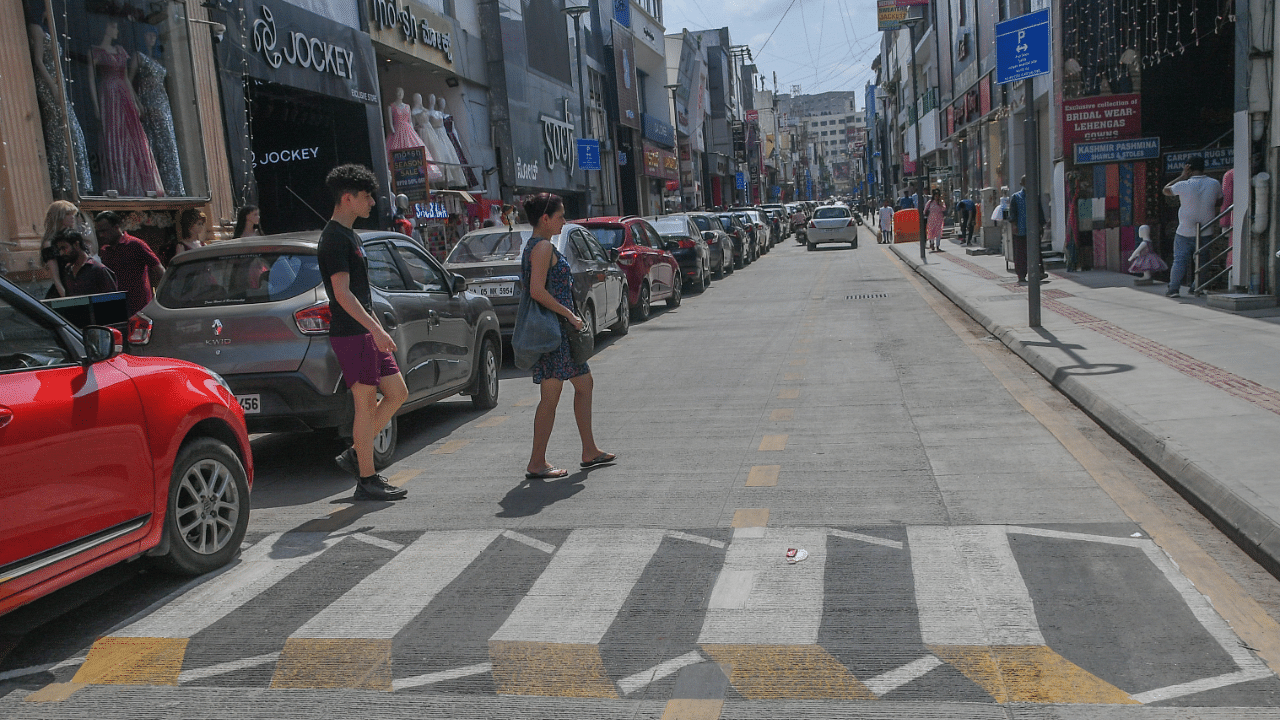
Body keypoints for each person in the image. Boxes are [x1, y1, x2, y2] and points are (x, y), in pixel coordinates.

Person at [319, 165, 409, 501]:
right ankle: (367, 479)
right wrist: (375, 329)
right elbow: (342, 294)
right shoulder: (333, 240)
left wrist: (378, 328)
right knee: (366, 404)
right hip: (351, 334)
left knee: (398, 392)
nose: (372, 201)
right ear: (347, 198)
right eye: (366, 195)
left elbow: (360, 293)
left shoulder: (351, 236)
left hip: (365, 331)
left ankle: (360, 451)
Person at [520, 192, 614, 479]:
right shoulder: (542, 248)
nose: (564, 221)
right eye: (560, 216)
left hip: (561, 333)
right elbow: (537, 291)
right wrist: (569, 314)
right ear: (544, 219)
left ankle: (589, 449)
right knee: (551, 395)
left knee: (583, 385)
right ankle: (537, 462)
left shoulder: (540, 245)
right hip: (555, 332)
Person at [1162, 156, 1223, 298]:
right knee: (1203, 261)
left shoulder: (1183, 184)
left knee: (1179, 261)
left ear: (1188, 167)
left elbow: (1166, 190)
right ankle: (1197, 287)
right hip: (1205, 230)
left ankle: (1173, 289)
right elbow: (1220, 200)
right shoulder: (1214, 184)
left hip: (1184, 230)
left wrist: (1182, 176)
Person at [94, 210, 163, 316]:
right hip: (118, 308)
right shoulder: (105, 251)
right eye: (99, 232)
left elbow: (159, 270)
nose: (101, 235)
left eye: (104, 231)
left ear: (116, 227)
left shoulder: (135, 244)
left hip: (140, 309)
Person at [51, 229, 116, 297]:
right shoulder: (68, 272)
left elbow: (113, 301)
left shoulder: (98, 269)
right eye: (60, 250)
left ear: (76, 244)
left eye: (64, 248)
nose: (61, 253)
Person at [41, 200, 81, 298]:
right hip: (63, 292)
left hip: (78, 287)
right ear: (58, 217)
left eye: (73, 214)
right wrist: (66, 298)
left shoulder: (74, 237)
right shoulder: (49, 243)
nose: (72, 217)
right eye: (68, 214)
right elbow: (55, 278)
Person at [924, 188, 947, 253]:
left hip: (939, 219)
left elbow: (944, 209)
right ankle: (932, 243)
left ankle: (937, 246)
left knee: (938, 232)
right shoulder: (930, 202)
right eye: (935, 196)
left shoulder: (941, 202)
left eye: (938, 196)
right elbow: (925, 210)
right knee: (931, 231)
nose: (937, 197)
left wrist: (941, 203)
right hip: (931, 219)